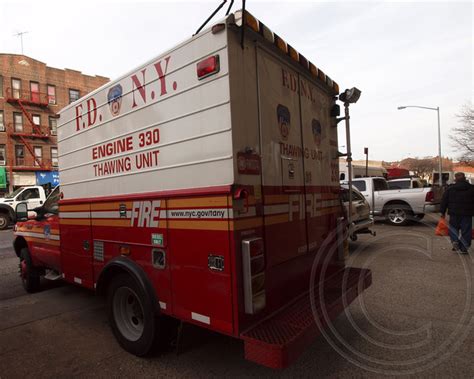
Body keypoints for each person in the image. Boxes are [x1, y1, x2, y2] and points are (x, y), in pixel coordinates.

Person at [440, 172, 474, 253]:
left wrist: (442, 212)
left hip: (454, 212)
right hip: (467, 213)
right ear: (465, 178)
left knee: (453, 228)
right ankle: (464, 247)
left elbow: (444, 200)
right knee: (466, 230)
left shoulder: (450, 188)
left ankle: (455, 241)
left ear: (455, 179)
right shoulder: (472, 188)